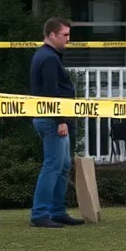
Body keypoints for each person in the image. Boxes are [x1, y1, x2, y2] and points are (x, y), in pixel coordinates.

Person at [29, 16, 84, 228]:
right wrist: (60, 120)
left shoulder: (48, 55)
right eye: (65, 35)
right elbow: (52, 92)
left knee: (63, 165)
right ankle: (40, 213)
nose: (68, 39)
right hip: (52, 119)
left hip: (52, 118)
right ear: (52, 34)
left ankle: (57, 210)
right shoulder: (49, 58)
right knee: (53, 165)